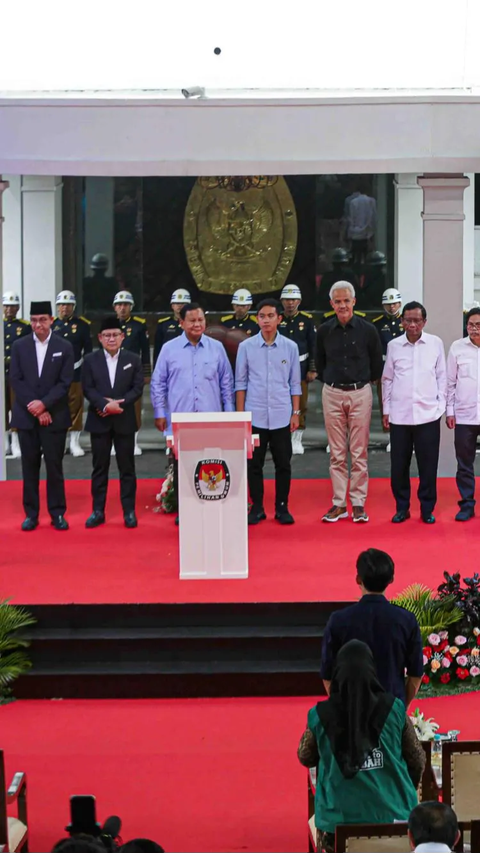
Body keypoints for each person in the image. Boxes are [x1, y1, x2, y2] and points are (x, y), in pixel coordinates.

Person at [298, 640, 424, 853]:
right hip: (396, 819)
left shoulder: (319, 715)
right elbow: (417, 760)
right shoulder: (395, 709)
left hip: (337, 827)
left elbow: (305, 756)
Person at [151, 302, 234, 522]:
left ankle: (211, 504)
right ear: (181, 323)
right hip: (180, 417)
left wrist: (230, 414)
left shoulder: (216, 348)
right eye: (192, 320)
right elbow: (158, 383)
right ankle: (184, 509)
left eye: (200, 320)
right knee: (182, 465)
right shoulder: (169, 349)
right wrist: (160, 412)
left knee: (211, 462)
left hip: (211, 417)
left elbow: (227, 383)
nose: (197, 325)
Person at [316, 282, 383, 523]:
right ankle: (338, 504)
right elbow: (320, 364)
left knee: (359, 451)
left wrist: (361, 384)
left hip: (360, 393)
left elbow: (377, 364)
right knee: (336, 453)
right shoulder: (323, 331)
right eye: (338, 301)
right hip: (332, 392)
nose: (342, 305)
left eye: (346, 301)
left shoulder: (368, 330)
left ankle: (357, 503)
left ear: (354, 301)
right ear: (331, 304)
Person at [320, 548, 423, 705]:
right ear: (391, 579)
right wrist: (400, 710)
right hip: (391, 710)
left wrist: (342, 709)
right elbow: (416, 674)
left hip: (350, 710)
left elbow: (327, 674)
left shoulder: (338, 620)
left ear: (358, 579)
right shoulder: (406, 620)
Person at [9, 300, 74, 531]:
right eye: (34, 320)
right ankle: (31, 514)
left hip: (54, 415)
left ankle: (57, 513)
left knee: (54, 466)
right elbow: (15, 379)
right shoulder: (19, 345)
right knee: (29, 466)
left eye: (43, 320)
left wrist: (44, 405)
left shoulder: (64, 346)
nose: (39, 325)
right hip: (27, 416)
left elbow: (65, 382)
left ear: (51, 321)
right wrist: (34, 407)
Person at [235, 298, 301, 525]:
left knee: (283, 463)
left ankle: (282, 507)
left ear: (279, 319)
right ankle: (257, 507)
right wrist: (241, 416)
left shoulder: (290, 347)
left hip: (282, 415)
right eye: (261, 316)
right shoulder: (246, 347)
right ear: (257, 319)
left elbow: (295, 384)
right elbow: (240, 384)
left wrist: (296, 413)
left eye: (270, 316)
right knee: (255, 464)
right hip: (255, 415)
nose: (265, 320)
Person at [382, 301, 446, 524]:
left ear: (424, 322)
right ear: (401, 321)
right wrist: (387, 410)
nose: (412, 324)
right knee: (399, 466)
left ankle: (427, 509)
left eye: (416, 320)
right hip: (400, 416)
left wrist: (440, 408)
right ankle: (402, 507)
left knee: (428, 466)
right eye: (408, 320)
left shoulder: (435, 344)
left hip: (428, 415)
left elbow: (442, 377)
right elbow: (387, 379)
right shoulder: (393, 346)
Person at [81, 316, 144, 528]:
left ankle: (129, 512)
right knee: (99, 467)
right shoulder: (90, 360)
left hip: (124, 419)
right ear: (100, 338)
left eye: (115, 335)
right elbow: (87, 388)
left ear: (122, 337)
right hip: (100, 419)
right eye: (107, 335)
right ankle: (98, 510)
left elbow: (137, 388)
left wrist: (119, 405)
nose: (111, 339)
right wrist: (105, 405)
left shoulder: (132, 359)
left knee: (127, 468)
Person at [446, 306, 480, 521]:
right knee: (464, 463)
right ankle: (467, 504)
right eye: (470, 325)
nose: (474, 329)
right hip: (465, 415)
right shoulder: (457, 348)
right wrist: (450, 412)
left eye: (478, 325)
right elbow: (450, 383)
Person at [53, 290, 92, 457]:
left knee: (76, 406)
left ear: (73, 307)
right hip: (55, 374)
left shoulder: (83, 325)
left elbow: (88, 350)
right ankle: (58, 442)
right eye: (62, 305)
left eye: (68, 305)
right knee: (57, 407)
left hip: (76, 370)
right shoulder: (51, 325)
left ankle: (74, 442)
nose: (64, 308)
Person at [278, 284, 316, 455]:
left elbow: (313, 346)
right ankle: (280, 438)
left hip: (301, 368)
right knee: (280, 403)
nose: (290, 303)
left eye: (293, 300)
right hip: (280, 370)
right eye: (287, 300)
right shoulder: (277, 320)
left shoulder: (306, 321)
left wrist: (312, 369)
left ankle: (297, 439)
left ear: (299, 301)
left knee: (300, 404)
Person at [113, 290, 150, 456]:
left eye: (126, 305)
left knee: (134, 408)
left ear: (131, 307)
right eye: (119, 305)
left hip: (133, 374)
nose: (122, 308)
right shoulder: (109, 324)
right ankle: (115, 442)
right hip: (112, 372)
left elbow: (145, 351)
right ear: (114, 307)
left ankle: (133, 442)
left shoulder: (139, 325)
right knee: (114, 407)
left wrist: (146, 372)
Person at [373, 287, 404, 453]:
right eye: (388, 304)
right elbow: (375, 350)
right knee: (385, 401)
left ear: (399, 303)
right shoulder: (378, 323)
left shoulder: (405, 321)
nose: (392, 307)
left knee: (403, 400)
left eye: (394, 303)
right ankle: (389, 436)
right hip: (384, 367)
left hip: (403, 368)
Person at [3, 291, 31, 458]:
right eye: (7, 306)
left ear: (18, 308)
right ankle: (4, 443)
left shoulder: (25, 326)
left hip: (16, 373)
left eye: (13, 306)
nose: (9, 309)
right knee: (2, 409)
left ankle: (15, 442)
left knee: (16, 408)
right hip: (1, 374)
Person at [153, 288, 191, 367]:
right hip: (168, 364)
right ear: (172, 306)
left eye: (183, 303)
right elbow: (157, 350)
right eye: (177, 303)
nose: (180, 306)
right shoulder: (164, 324)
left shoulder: (193, 324)